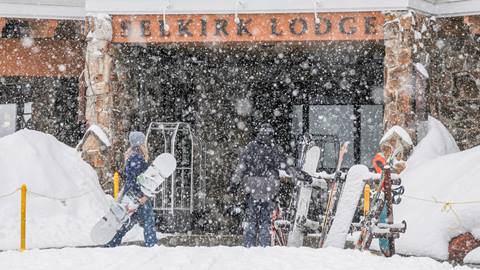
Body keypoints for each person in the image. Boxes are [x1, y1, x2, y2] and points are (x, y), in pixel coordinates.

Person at [230, 123, 288, 247]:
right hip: (269, 189)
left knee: (251, 220)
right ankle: (264, 247)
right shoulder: (274, 149)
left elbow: (241, 167)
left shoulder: (251, 147)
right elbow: (287, 165)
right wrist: (300, 174)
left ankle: (249, 246)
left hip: (253, 189)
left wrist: (234, 183)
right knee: (265, 222)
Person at [105, 131, 157, 247]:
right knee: (148, 218)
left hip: (134, 194)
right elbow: (134, 179)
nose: (145, 144)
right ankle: (152, 244)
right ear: (140, 143)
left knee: (130, 220)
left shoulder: (134, 156)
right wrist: (141, 195)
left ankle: (112, 241)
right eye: (144, 141)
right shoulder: (136, 157)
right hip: (137, 194)